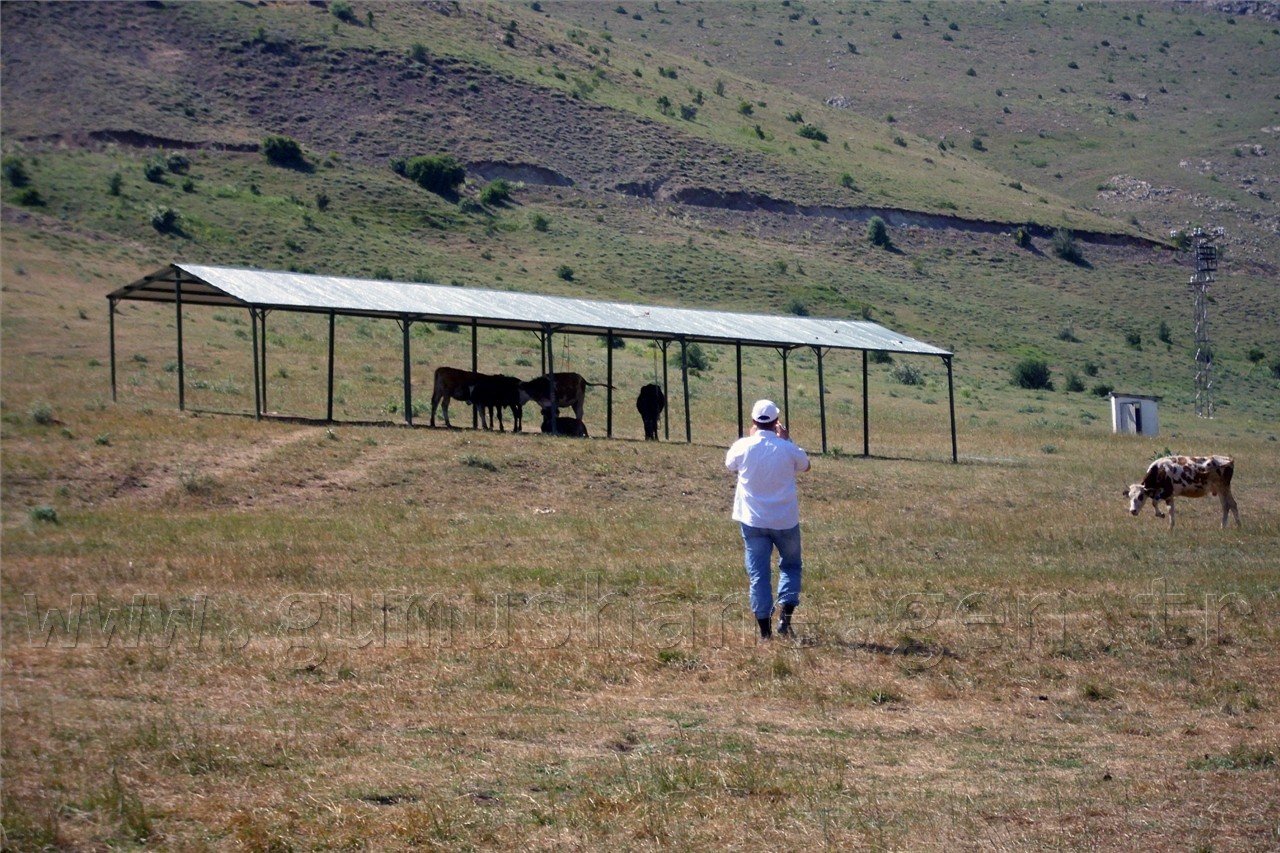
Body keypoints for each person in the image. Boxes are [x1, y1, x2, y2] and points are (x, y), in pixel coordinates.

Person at [724, 399, 811, 640]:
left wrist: (751, 438)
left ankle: (765, 632)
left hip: (753, 521)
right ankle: (786, 617)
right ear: (776, 423)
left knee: (759, 574)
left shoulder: (743, 446)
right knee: (791, 566)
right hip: (785, 520)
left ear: (752, 421)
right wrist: (787, 439)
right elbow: (806, 465)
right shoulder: (786, 447)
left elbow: (729, 464)